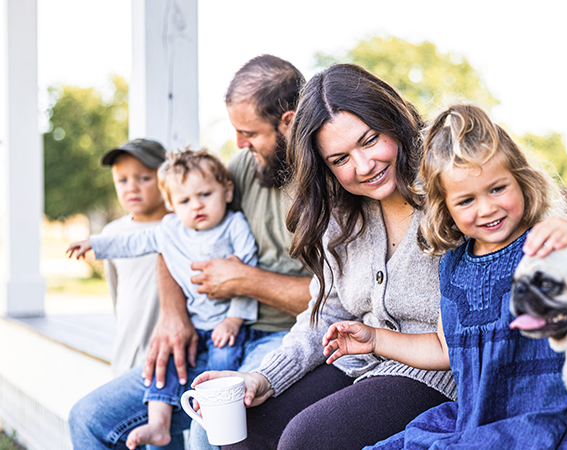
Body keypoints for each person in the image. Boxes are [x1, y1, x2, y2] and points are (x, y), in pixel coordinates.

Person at [322, 104, 567, 449]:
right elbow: (443, 347)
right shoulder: (455, 264)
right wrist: (376, 339)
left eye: (498, 189)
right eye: (467, 200)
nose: (486, 208)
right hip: (477, 418)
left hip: (541, 419)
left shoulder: (545, 245)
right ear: (445, 208)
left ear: (521, 179)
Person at [191, 63, 456, 450]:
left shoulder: (446, 188)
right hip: (361, 362)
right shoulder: (341, 211)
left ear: (394, 122)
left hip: (436, 373)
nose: (364, 167)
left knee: (306, 439)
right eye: (340, 159)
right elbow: (325, 313)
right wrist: (264, 378)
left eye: (370, 141)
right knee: (242, 426)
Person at [68, 54, 312, 450]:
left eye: (248, 132)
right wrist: (173, 313)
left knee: (208, 426)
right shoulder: (245, 168)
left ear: (288, 121)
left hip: (282, 342)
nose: (239, 143)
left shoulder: (329, 181)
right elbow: (177, 233)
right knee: (88, 418)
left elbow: (337, 302)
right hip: (211, 333)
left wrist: (246, 281)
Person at [68, 149, 260, 449]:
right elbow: (134, 241)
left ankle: (214, 427)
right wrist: (95, 244)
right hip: (195, 327)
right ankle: (159, 424)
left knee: (222, 372)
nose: (196, 205)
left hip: (229, 328)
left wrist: (234, 320)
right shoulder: (172, 229)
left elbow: (249, 275)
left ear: (227, 191)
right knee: (167, 361)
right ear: (171, 204)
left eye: (205, 194)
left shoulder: (234, 225)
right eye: (184, 200)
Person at [98, 139, 171, 379]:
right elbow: (116, 293)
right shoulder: (111, 235)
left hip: (170, 360)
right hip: (126, 360)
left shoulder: (180, 228)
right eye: (122, 180)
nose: (132, 188)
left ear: (165, 177)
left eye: (143, 178)